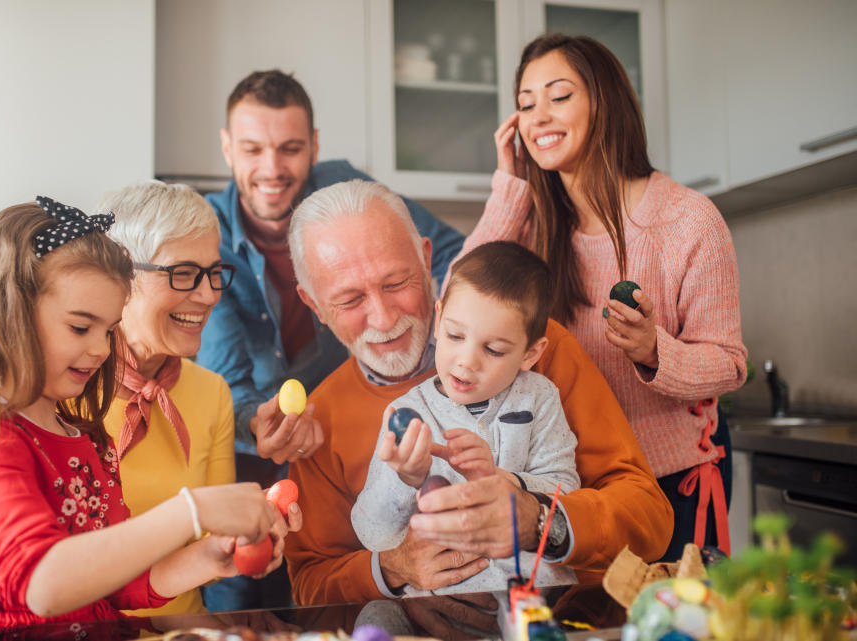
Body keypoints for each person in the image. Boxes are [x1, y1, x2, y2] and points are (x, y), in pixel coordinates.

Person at [0, 182, 304, 631]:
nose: (99, 349)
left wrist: (209, 557)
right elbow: (42, 582)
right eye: (80, 328)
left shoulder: (83, 433)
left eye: (108, 330)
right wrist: (195, 509)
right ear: (10, 315)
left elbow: (113, 582)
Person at [283, 179, 673, 606]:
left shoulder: (535, 351)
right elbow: (310, 585)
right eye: (350, 298)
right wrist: (391, 569)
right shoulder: (319, 423)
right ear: (314, 305)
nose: (382, 316)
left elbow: (649, 516)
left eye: (396, 283)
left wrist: (540, 521)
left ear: (426, 259)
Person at [458, 33, 747, 560]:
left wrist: (653, 351)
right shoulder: (539, 229)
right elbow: (460, 304)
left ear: (604, 102)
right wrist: (509, 185)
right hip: (569, 487)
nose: (538, 115)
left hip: (670, 483)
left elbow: (728, 365)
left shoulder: (688, 220)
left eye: (559, 96)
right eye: (526, 104)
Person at [195, 69, 463, 611]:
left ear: (314, 146)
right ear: (227, 148)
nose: (272, 169)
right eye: (252, 149)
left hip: (342, 462)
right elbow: (228, 382)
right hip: (252, 478)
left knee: (339, 601)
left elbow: (460, 251)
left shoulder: (346, 190)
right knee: (244, 603)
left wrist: (459, 340)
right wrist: (257, 425)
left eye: (291, 149)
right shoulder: (209, 237)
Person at [352, 241, 580, 594]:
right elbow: (372, 533)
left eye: (494, 350)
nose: (466, 361)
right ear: (439, 319)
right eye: (455, 335)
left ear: (530, 353)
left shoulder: (539, 396)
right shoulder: (405, 414)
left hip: (537, 601)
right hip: (440, 606)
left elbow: (568, 493)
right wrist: (405, 477)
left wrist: (501, 478)